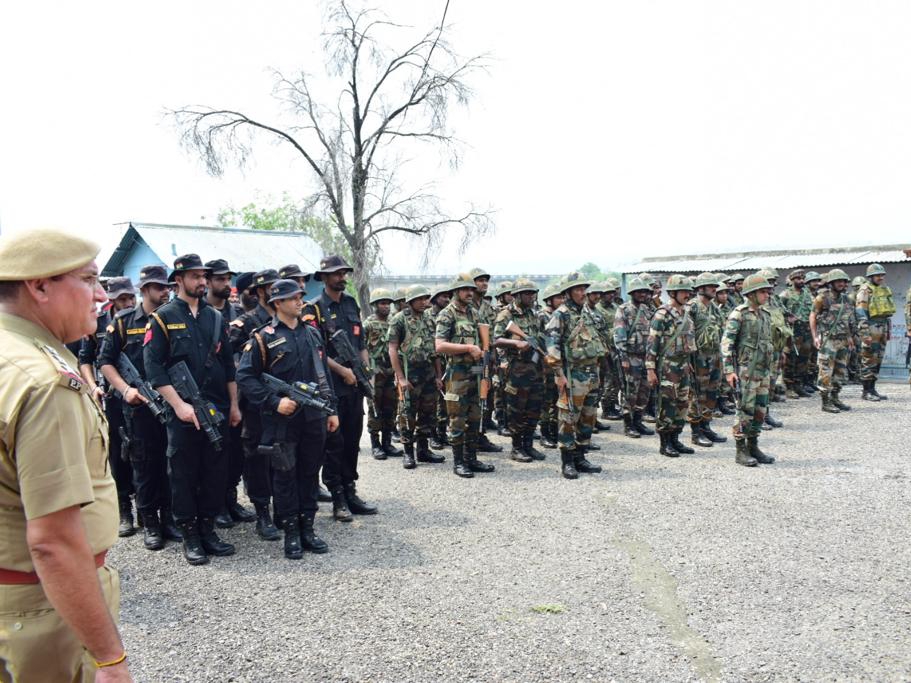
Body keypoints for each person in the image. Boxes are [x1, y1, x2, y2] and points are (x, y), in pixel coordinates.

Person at [0, 228, 132, 681]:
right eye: (89, 279)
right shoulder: (43, 381)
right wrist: (110, 660)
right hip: (40, 609)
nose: (101, 295)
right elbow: (54, 542)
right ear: (39, 286)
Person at [144, 254, 242, 565]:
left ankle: (208, 530)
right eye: (195, 276)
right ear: (179, 280)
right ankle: (190, 535)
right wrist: (179, 406)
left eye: (203, 276)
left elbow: (229, 366)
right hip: (183, 414)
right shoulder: (162, 318)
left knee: (215, 472)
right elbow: (154, 369)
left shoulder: (215, 318)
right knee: (183, 475)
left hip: (216, 410)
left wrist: (235, 406)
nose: (201, 281)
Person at [236, 279, 339, 559]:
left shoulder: (312, 334)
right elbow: (245, 376)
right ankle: (291, 533)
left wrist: (331, 411)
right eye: (293, 298)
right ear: (277, 303)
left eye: (300, 297)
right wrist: (274, 401)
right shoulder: (262, 337)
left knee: (309, 473)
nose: (299, 301)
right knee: (285, 476)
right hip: (281, 421)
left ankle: (308, 528)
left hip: (313, 416)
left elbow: (324, 375)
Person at [98, 265, 181, 551]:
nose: (165, 292)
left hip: (169, 404)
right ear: (144, 290)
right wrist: (125, 389)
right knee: (144, 465)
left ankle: (169, 518)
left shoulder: (171, 318)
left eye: (167, 287)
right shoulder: (122, 322)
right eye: (159, 287)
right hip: (138, 407)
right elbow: (105, 361)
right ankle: (150, 522)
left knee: (169, 464)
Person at [302, 256, 378, 520]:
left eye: (344, 272)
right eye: (336, 274)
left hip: (355, 387)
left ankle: (350, 489)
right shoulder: (314, 310)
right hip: (331, 388)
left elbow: (361, 344)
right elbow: (316, 351)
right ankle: (337, 497)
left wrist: (365, 369)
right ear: (324, 277)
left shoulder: (350, 304)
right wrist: (343, 371)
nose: (342, 277)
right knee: (334, 443)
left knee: (352, 441)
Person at [228, 268, 282, 541]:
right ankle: (262, 512)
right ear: (261, 291)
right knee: (258, 457)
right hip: (256, 403)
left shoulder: (283, 320)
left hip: (281, 402)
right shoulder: (245, 323)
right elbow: (231, 361)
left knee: (282, 455)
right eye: (273, 286)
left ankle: (282, 508)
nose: (277, 291)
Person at [81, 277, 137, 538]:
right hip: (113, 397)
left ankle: (153, 510)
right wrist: (93, 386)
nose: (127, 303)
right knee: (117, 453)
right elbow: (85, 360)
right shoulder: (98, 324)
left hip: (141, 397)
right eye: (122, 299)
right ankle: (125, 509)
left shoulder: (142, 319)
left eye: (130, 298)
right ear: (112, 300)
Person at [204, 259, 257, 530]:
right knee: (217, 452)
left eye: (228, 279)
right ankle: (218, 507)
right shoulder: (201, 312)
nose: (227, 284)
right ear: (208, 280)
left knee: (237, 450)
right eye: (220, 279)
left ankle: (231, 499)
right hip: (211, 392)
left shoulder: (236, 312)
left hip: (239, 392)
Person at [544, 272, 604, 479]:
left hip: (591, 373)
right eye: (577, 289)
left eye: (583, 289)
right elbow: (552, 346)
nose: (582, 293)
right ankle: (567, 462)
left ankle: (581, 457)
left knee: (588, 417)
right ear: (568, 293)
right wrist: (559, 374)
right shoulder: (560, 314)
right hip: (572, 374)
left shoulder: (586, 312)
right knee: (568, 418)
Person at [434, 278, 495, 478]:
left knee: (475, 416)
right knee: (457, 418)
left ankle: (472, 458)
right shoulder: (447, 314)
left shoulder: (474, 313)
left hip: (476, 373)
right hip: (457, 374)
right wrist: (468, 348)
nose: (470, 292)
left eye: (471, 289)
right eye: (466, 290)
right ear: (456, 291)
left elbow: (484, 341)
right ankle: (459, 462)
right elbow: (440, 346)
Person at [388, 285, 446, 469]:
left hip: (428, 373)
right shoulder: (399, 320)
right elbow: (392, 349)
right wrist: (401, 378)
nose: (424, 302)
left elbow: (435, 350)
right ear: (410, 300)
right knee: (407, 413)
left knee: (428, 413)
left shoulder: (430, 319)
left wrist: (438, 375)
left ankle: (423, 450)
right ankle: (408, 452)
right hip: (409, 372)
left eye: (426, 298)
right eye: (420, 299)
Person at [721, 273, 776, 467]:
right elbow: (727, 344)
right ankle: (741, 451)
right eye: (763, 292)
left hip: (763, 371)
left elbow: (768, 342)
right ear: (751, 294)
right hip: (746, 371)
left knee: (760, 410)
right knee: (744, 410)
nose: (767, 295)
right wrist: (728, 371)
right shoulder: (739, 314)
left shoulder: (765, 314)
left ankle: (754, 446)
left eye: (767, 292)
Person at [492, 277, 547, 463]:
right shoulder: (506, 315)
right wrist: (516, 343)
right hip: (516, 369)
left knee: (534, 408)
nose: (532, 296)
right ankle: (516, 448)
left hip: (535, 368)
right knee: (516, 410)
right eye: (528, 293)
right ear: (517, 295)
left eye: (533, 293)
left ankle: (529, 445)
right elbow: (496, 339)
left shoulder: (535, 314)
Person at [645, 274, 697, 457]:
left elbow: (687, 341)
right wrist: (650, 370)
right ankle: (665, 442)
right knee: (667, 404)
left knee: (682, 404)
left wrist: (689, 363)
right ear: (673, 292)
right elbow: (652, 343)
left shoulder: (686, 313)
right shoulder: (662, 314)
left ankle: (675, 439)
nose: (687, 295)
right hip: (667, 367)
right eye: (683, 291)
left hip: (683, 366)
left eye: (689, 291)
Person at [685, 273, 727, 447]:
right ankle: (696, 432)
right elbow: (685, 333)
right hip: (698, 358)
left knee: (711, 393)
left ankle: (706, 426)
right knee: (696, 394)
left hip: (714, 356)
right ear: (701, 288)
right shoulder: (692, 307)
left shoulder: (714, 308)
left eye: (715, 286)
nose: (714, 289)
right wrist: (687, 359)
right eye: (711, 286)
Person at [613, 277, 656, 439]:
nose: (642, 294)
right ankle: (628, 424)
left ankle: (638, 420)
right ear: (632, 292)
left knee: (644, 391)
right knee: (630, 392)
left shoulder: (647, 310)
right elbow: (619, 334)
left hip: (646, 358)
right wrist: (623, 357)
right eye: (638, 291)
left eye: (644, 291)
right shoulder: (623, 310)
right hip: (630, 357)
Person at [809, 269, 856, 413]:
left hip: (843, 340)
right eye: (838, 281)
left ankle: (835, 398)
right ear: (831, 283)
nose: (841, 284)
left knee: (840, 371)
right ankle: (825, 401)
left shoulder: (847, 299)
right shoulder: (822, 298)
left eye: (843, 281)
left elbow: (847, 320)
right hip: (828, 339)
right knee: (825, 372)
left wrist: (850, 338)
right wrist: (815, 336)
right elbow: (812, 316)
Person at [365, 288, 402, 459]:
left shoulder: (394, 322)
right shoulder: (368, 324)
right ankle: (376, 444)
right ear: (374, 305)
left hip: (390, 371)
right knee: (375, 408)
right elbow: (361, 349)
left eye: (388, 303)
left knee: (391, 406)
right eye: (382, 303)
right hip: (374, 372)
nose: (386, 306)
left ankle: (387, 442)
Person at [855, 263, 895, 401]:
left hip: (882, 326)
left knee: (878, 359)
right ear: (870, 276)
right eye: (878, 275)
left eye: (882, 275)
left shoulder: (883, 289)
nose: (881, 277)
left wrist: (888, 330)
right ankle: (866, 391)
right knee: (868, 359)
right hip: (871, 327)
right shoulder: (865, 290)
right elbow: (861, 313)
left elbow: (887, 313)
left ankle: (873, 389)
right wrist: (865, 333)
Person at [780, 269, 814, 398]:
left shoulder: (808, 294)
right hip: (792, 331)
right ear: (792, 280)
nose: (801, 281)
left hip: (806, 330)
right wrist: (786, 320)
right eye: (798, 279)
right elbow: (778, 311)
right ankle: (789, 387)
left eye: (802, 278)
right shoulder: (785, 295)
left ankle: (799, 385)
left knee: (804, 359)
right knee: (790, 359)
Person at [537, 282, 564, 449]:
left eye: (562, 297)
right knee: (547, 400)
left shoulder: (562, 315)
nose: (562, 300)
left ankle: (556, 431)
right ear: (549, 300)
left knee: (558, 399)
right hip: (545, 365)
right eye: (558, 297)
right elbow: (537, 339)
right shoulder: (541, 316)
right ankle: (545, 433)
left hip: (559, 365)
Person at [428, 284, 453, 449]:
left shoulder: (449, 316)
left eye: (448, 296)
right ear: (435, 298)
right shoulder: (427, 317)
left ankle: (442, 433)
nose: (447, 299)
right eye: (443, 296)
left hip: (447, 364)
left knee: (445, 401)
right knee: (432, 402)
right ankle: (433, 436)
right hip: (431, 364)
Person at [596, 278, 623, 421]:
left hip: (615, 348)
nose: (611, 295)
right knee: (603, 381)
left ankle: (612, 405)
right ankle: (605, 409)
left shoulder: (615, 307)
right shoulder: (597, 309)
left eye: (612, 293)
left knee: (615, 379)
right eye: (607, 293)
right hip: (604, 349)